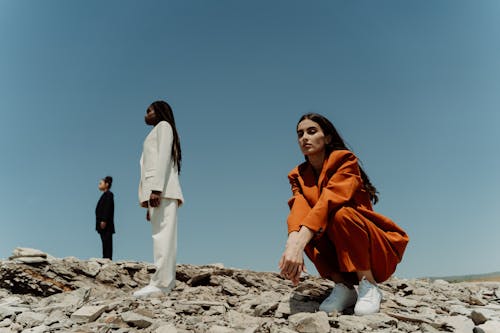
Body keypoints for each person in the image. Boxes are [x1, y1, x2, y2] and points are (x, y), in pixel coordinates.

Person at [279, 113, 409, 316]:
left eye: (311, 131)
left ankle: (368, 284)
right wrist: (292, 242)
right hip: (337, 253)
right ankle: (344, 288)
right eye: (300, 134)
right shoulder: (297, 175)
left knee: (340, 214)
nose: (304, 137)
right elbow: (299, 206)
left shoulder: (345, 160)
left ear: (328, 138)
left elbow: (330, 199)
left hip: (373, 249)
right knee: (305, 224)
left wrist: (299, 242)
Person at [133, 100, 184, 297]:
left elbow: (163, 158)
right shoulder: (156, 131)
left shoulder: (164, 127)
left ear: (160, 112)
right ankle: (163, 282)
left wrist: (156, 189)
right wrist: (148, 200)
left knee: (164, 237)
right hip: (158, 193)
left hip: (163, 191)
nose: (146, 114)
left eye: (149, 110)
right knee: (160, 237)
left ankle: (162, 284)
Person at [95, 176, 115, 260]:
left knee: (107, 242)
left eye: (101, 183)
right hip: (102, 224)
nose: (99, 185)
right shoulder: (104, 195)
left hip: (105, 224)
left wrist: (104, 220)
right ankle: (105, 258)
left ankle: (107, 258)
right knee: (104, 242)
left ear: (106, 184)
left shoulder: (109, 194)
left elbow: (107, 208)